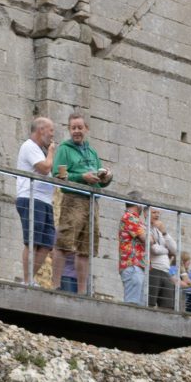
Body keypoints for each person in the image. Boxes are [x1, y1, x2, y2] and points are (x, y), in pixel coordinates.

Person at [52, 113, 110, 295]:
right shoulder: (64, 149)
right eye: (73, 128)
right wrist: (81, 177)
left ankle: (82, 291)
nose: (76, 131)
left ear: (86, 129)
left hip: (92, 201)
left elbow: (100, 182)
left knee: (85, 248)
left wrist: (106, 178)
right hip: (73, 199)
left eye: (79, 127)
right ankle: (55, 285)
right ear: (69, 130)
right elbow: (58, 175)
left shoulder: (92, 152)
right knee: (64, 242)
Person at [14, 116, 57, 288]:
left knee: (46, 243)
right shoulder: (29, 146)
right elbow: (45, 169)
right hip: (31, 198)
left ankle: (30, 279)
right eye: (51, 130)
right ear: (41, 130)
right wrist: (52, 152)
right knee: (32, 241)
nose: (53, 135)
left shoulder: (40, 150)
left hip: (44, 200)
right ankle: (26, 280)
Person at [116, 199, 146, 305]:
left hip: (136, 266)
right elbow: (147, 239)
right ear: (138, 204)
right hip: (133, 265)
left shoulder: (135, 219)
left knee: (138, 305)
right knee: (132, 304)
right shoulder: (130, 217)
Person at [147, 210, 177, 311]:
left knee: (167, 305)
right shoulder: (144, 228)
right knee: (149, 303)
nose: (157, 215)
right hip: (153, 269)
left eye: (158, 213)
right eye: (154, 212)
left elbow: (175, 249)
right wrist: (167, 250)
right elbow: (154, 250)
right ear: (146, 213)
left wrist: (164, 233)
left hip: (165, 271)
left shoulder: (160, 231)